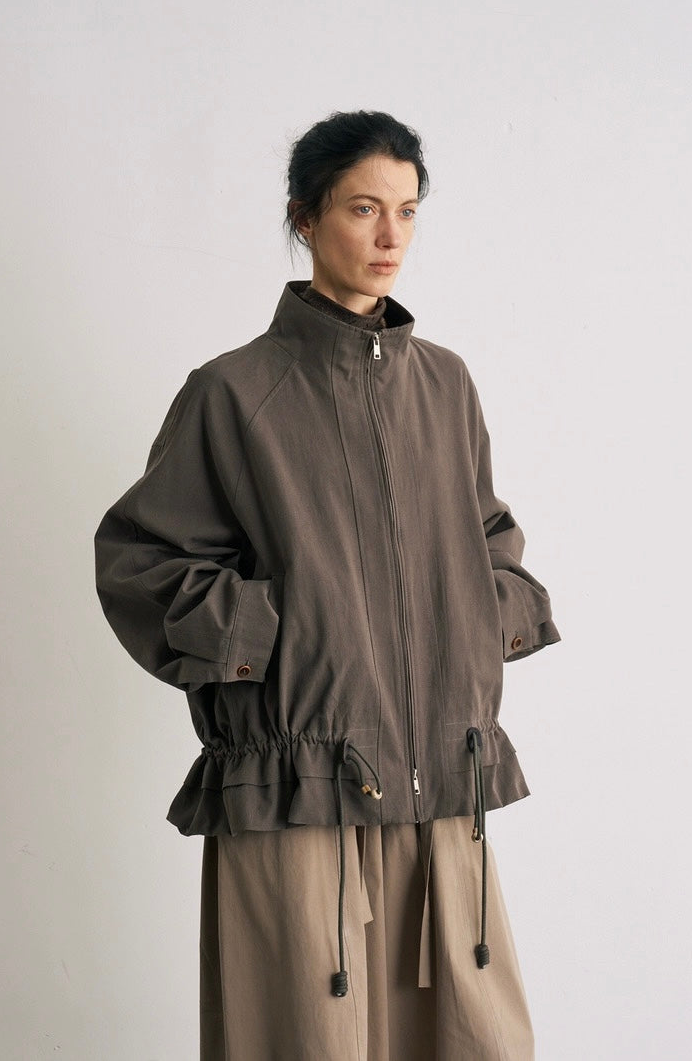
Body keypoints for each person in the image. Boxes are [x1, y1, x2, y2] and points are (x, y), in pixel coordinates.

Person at [94, 110, 561, 1060]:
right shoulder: (234, 391)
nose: (391, 236)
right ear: (305, 218)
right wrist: (284, 637)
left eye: (408, 211)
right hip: (301, 792)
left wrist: (486, 617)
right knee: (312, 1043)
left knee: (477, 1042)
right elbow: (141, 562)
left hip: (443, 790)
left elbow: (490, 538)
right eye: (363, 209)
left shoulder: (445, 385)